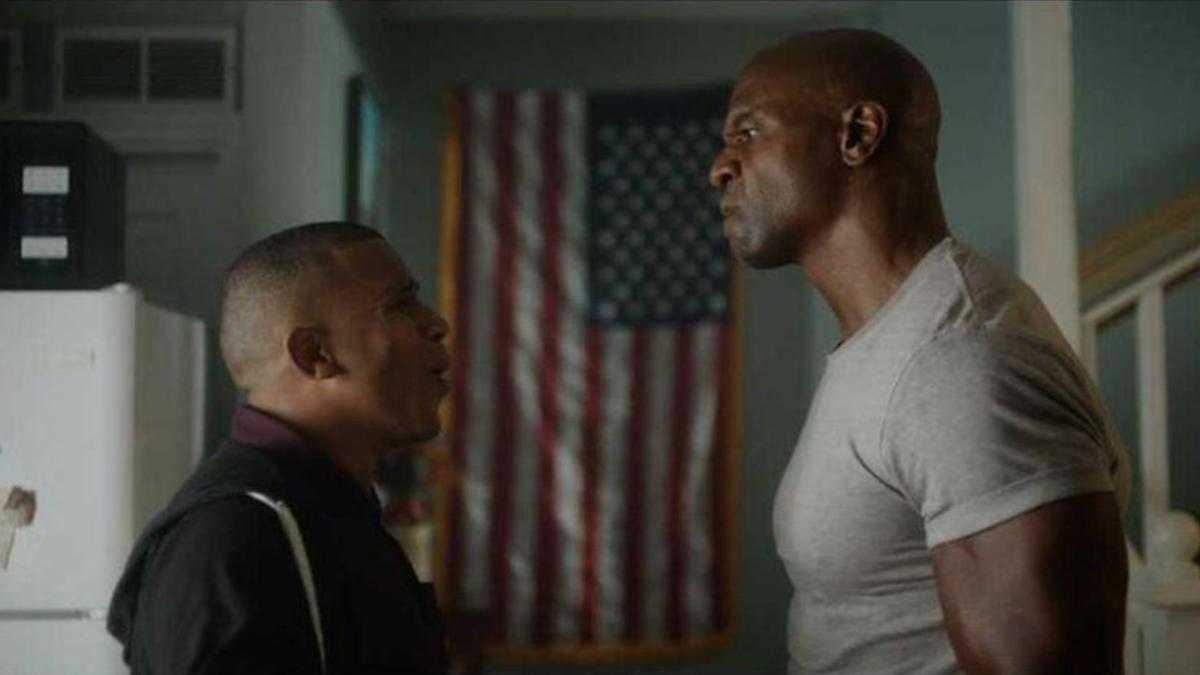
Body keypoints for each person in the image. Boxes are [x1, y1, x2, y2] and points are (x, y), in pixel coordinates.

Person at [709, 29, 1129, 674]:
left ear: (857, 135)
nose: (720, 166)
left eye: (747, 133)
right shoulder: (897, 340)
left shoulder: (957, 362)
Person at [108, 222, 451, 674]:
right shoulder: (231, 536)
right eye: (402, 303)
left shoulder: (335, 506)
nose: (436, 324)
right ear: (314, 354)